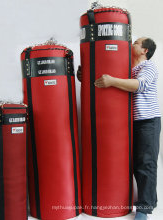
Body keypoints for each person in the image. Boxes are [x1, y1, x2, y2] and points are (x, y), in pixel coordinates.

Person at [77, 37, 161, 220]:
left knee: (145, 164)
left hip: (147, 122)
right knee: (127, 164)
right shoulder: (128, 70)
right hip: (127, 123)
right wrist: (86, 75)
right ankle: (139, 201)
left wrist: (113, 81)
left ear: (144, 51)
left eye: (136, 43)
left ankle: (144, 209)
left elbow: (140, 85)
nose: (132, 45)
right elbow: (105, 83)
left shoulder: (148, 67)